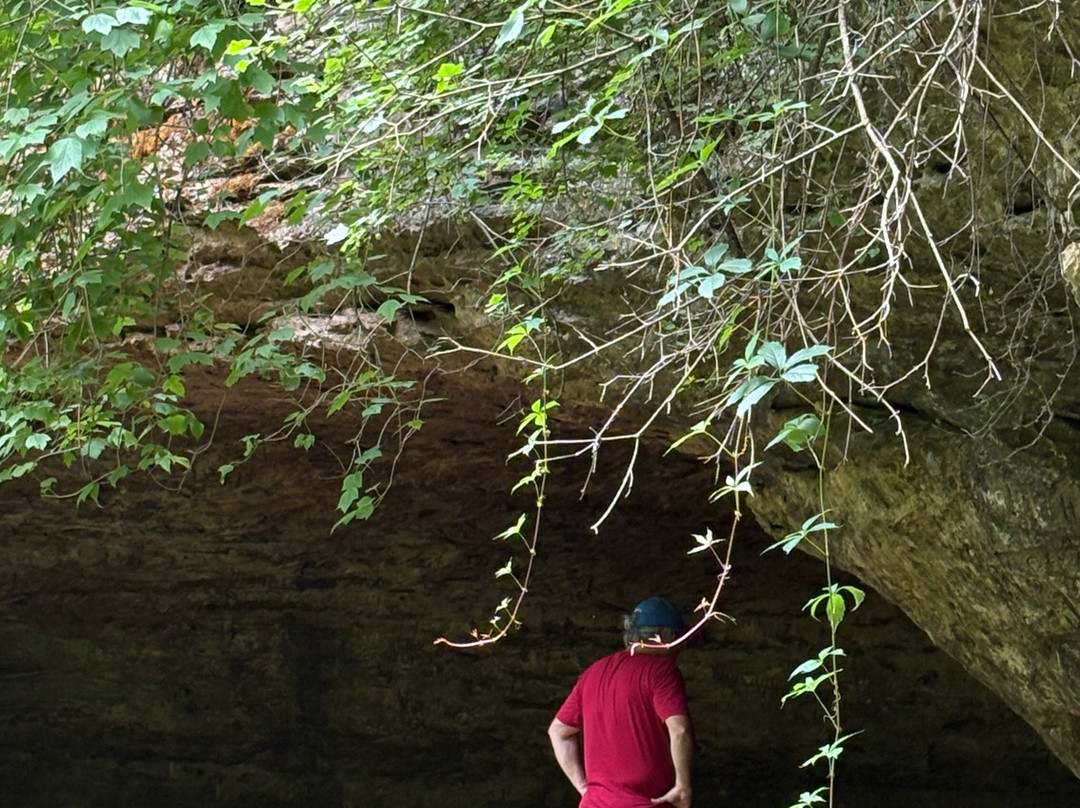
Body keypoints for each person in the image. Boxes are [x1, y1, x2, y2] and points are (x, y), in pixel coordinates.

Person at [548, 596, 693, 808]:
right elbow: (679, 730)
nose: (680, 649)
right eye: (678, 639)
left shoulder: (593, 672)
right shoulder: (661, 671)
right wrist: (683, 786)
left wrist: (585, 789)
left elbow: (558, 731)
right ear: (664, 636)